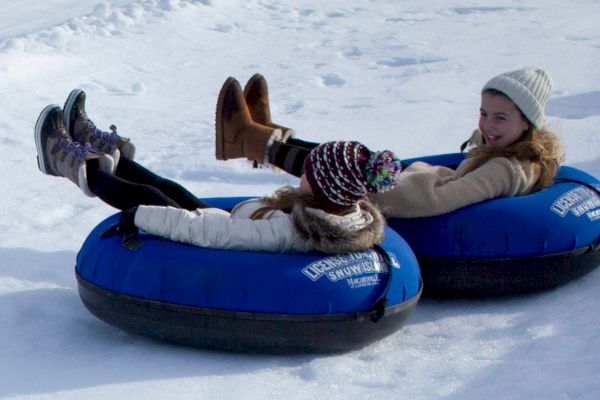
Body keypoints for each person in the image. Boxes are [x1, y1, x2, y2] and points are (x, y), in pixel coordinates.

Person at [34, 81, 403, 253]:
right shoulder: (343, 210)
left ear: (323, 188)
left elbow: (213, 234)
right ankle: (102, 151)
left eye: (310, 171)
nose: (301, 172)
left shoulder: (286, 231)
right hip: (234, 220)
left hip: (218, 244)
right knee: (172, 190)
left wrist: (140, 218)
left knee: (149, 200)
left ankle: (71, 163)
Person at [217, 67, 564, 218]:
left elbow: (441, 200)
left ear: (527, 124)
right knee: (346, 155)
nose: (487, 125)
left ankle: (247, 140)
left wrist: (366, 185)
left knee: (340, 166)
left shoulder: (504, 169)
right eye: (483, 113)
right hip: (416, 182)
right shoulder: (509, 150)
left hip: (403, 203)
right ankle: (265, 137)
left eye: (500, 118)